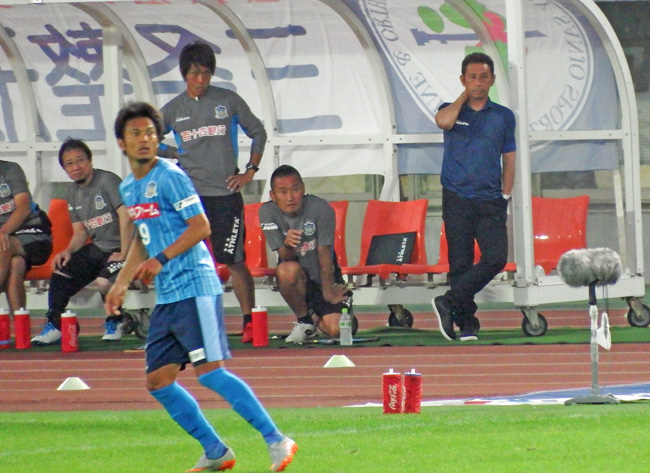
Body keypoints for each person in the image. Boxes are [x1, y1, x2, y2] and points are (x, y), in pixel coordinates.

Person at [106, 101, 297, 472]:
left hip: (194, 284)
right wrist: (121, 282)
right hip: (168, 295)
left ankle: (276, 439)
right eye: (135, 133)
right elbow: (143, 238)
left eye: (150, 133)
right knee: (158, 381)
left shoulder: (170, 175)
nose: (144, 139)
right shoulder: (129, 188)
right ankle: (215, 450)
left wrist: (160, 260)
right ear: (121, 142)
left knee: (210, 372)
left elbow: (201, 227)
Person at [158, 40, 266, 344]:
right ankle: (189, 324)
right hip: (190, 199)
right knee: (187, 262)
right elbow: (145, 138)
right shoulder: (174, 109)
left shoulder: (228, 101)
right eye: (195, 73)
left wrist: (249, 172)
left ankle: (249, 321)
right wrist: (172, 153)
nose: (201, 79)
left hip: (225, 196)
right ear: (184, 74)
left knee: (233, 259)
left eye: (206, 73)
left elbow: (258, 132)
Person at [432, 52, 516, 342]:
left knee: (495, 258)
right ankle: (466, 322)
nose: (478, 82)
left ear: (492, 80)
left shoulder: (503, 116)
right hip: (456, 197)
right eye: (472, 77)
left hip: (490, 199)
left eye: (483, 77)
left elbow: (509, 157)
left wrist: (505, 194)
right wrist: (463, 97)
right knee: (460, 263)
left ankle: (448, 301)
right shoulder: (452, 110)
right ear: (463, 79)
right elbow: (442, 121)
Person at [31, 139, 134, 345]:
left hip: (127, 247)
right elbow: (80, 231)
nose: (76, 167)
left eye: (80, 160)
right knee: (60, 271)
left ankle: (117, 319)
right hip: (98, 247)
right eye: (69, 164)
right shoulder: (71, 192)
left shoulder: (108, 181)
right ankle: (57, 324)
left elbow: (127, 216)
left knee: (103, 281)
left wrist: (124, 252)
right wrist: (68, 251)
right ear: (65, 169)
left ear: (90, 160)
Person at [258, 165, 351, 344]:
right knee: (286, 270)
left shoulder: (321, 208)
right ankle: (305, 320)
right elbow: (285, 255)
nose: (290, 197)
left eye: (295, 189)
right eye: (283, 192)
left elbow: (325, 255)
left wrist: (328, 293)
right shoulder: (267, 212)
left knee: (336, 330)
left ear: (303, 189)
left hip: (323, 276)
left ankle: (318, 316)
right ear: (273, 195)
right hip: (298, 277)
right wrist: (287, 243)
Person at [0, 161, 52, 315]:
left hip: (33, 232)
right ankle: (21, 326)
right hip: (8, 242)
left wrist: (4, 231)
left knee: (3, 246)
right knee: (16, 264)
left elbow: (24, 206)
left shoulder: (10, 169)